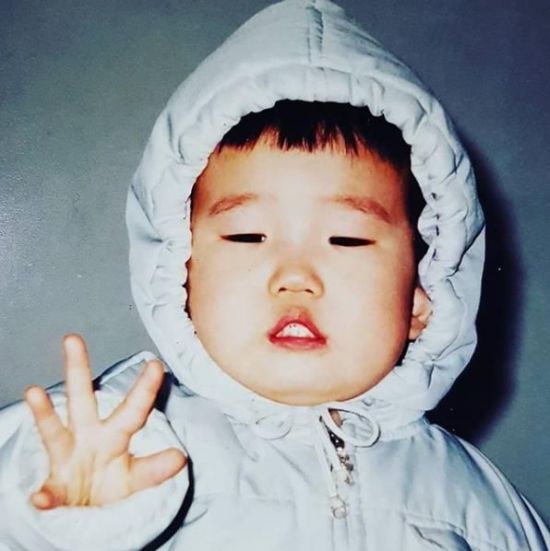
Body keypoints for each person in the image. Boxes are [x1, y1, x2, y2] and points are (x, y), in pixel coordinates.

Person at [0, 0, 548, 549]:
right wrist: (64, 511)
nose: (295, 275)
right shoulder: (135, 436)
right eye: (247, 236)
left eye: (347, 239)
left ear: (420, 305)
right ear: (179, 278)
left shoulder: (480, 506)